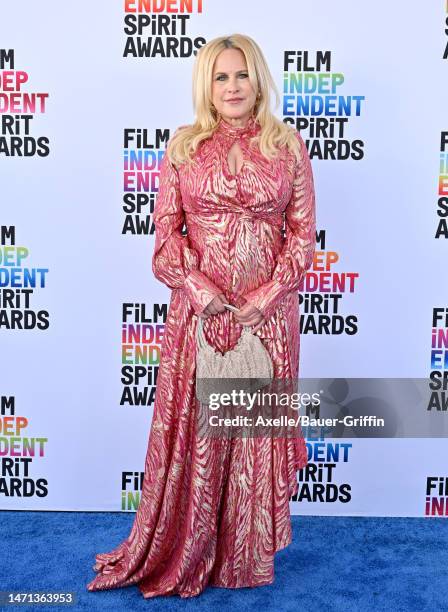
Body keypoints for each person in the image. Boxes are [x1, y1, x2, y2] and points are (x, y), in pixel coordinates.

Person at [86, 33, 316, 599]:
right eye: (221, 77)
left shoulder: (288, 147)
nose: (233, 86)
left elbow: (303, 238)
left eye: (242, 75)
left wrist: (260, 303)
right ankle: (190, 548)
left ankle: (244, 558)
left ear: (258, 79)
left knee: (252, 433)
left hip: (268, 320)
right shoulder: (183, 147)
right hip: (199, 317)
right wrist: (205, 294)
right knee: (202, 433)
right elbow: (165, 241)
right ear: (206, 88)